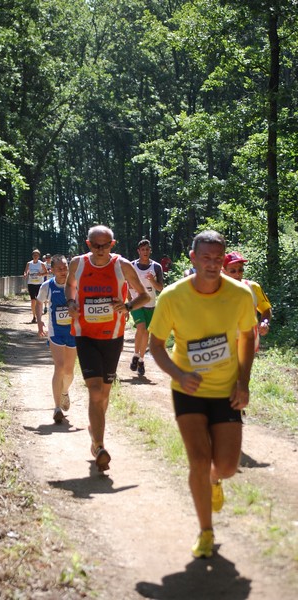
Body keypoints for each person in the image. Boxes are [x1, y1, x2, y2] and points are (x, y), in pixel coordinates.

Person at [149, 230, 256, 559]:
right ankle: (205, 532)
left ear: (224, 261)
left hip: (225, 390)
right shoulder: (171, 296)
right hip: (188, 390)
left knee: (225, 466)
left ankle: (215, 479)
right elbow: (156, 345)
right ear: (193, 259)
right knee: (197, 457)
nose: (212, 264)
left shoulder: (239, 295)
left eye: (218, 259)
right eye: (205, 258)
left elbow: (248, 337)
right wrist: (179, 374)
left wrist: (243, 381)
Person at [65, 225, 150, 472]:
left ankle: (95, 428)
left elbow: (144, 295)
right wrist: (71, 302)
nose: (100, 250)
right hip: (84, 334)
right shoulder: (77, 264)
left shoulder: (122, 265)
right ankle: (99, 446)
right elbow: (70, 286)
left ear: (113, 244)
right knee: (94, 390)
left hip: (113, 336)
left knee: (104, 391)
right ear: (87, 244)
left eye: (105, 245)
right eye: (95, 245)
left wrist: (128, 306)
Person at [36, 255, 76, 423]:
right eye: (59, 268)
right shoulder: (48, 286)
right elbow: (39, 303)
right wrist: (40, 323)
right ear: (51, 270)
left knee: (69, 371)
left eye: (65, 267)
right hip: (56, 333)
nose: (63, 271)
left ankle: (65, 391)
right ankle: (57, 407)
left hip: (73, 332)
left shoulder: (74, 285)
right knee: (59, 367)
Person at [222, 251, 272, 352]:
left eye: (240, 270)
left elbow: (266, 309)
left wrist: (265, 322)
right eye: (233, 271)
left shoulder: (253, 287)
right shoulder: (214, 290)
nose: (237, 274)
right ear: (223, 271)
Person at [129, 239, 164, 376]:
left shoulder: (156, 267)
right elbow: (127, 284)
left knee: (146, 333)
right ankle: (136, 355)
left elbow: (160, 288)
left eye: (147, 249)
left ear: (150, 250)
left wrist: (152, 280)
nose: (145, 252)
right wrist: (128, 301)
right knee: (141, 328)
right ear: (138, 251)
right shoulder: (131, 266)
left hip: (150, 303)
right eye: (142, 250)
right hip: (136, 302)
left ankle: (140, 360)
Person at [23, 249, 48, 323]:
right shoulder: (29, 263)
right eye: (34, 255)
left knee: (38, 300)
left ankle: (38, 315)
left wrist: (41, 274)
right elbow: (26, 271)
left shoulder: (41, 264)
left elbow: (46, 273)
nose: (35, 256)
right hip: (31, 283)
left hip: (39, 284)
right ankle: (34, 316)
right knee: (33, 300)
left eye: (37, 255)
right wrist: (25, 274)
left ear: (39, 256)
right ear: (32, 256)